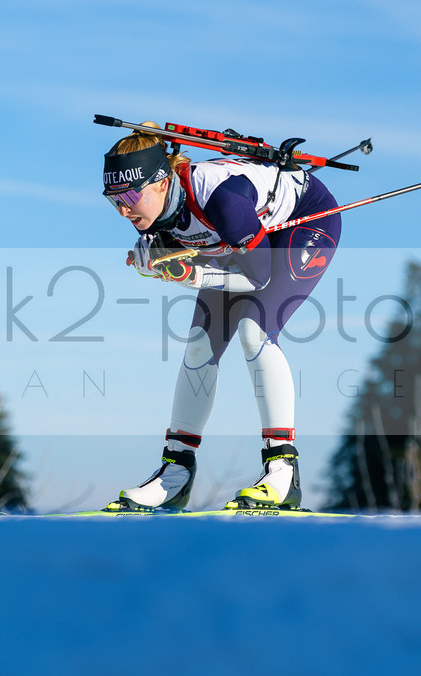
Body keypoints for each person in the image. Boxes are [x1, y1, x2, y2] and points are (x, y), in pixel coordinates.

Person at [102, 122, 341, 510]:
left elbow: (257, 276)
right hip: (242, 239)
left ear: (162, 182)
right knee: (199, 346)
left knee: (253, 332)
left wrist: (188, 273)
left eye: (130, 195)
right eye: (113, 200)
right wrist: (153, 260)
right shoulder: (157, 210)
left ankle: (282, 472)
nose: (123, 209)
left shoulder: (222, 200)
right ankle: (175, 474)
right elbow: (172, 250)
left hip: (303, 223)